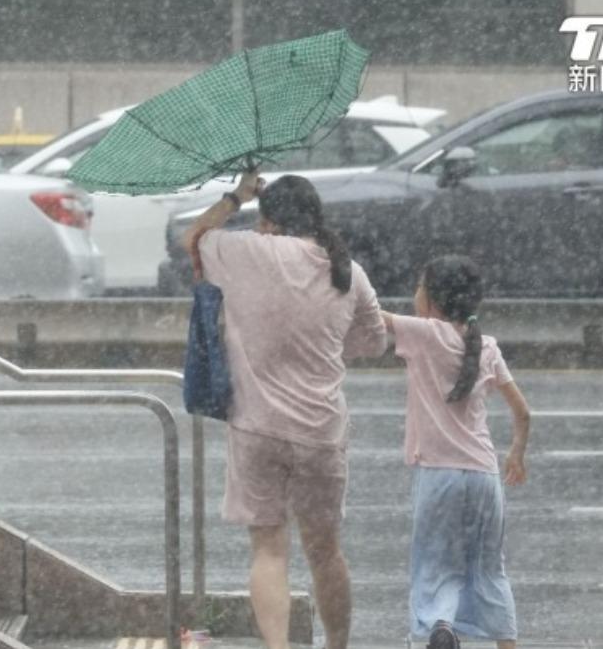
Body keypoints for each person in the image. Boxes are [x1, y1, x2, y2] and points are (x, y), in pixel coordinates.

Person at [184, 170, 387, 649]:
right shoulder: (348, 271)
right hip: (320, 432)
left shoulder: (245, 253)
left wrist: (238, 195)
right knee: (325, 551)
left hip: (256, 429)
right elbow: (373, 342)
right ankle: (336, 645)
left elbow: (192, 239)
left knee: (269, 551)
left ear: (270, 220)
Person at [380, 255, 531, 649]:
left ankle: (440, 628)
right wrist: (515, 454)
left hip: (438, 475)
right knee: (489, 570)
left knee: (434, 567)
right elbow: (523, 412)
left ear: (432, 299)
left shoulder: (425, 333)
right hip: (484, 476)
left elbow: (371, 316)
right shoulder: (487, 346)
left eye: (419, 286)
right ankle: (505, 644)